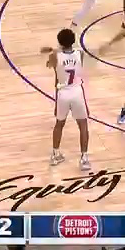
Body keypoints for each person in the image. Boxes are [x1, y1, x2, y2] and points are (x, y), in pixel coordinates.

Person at [41, 28, 91, 171]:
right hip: (77, 92)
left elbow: (50, 65)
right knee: (83, 125)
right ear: (73, 41)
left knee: (59, 124)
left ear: (59, 42)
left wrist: (53, 50)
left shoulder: (55, 56)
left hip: (62, 92)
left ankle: (55, 154)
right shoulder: (80, 54)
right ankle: (84, 158)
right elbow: (70, 53)